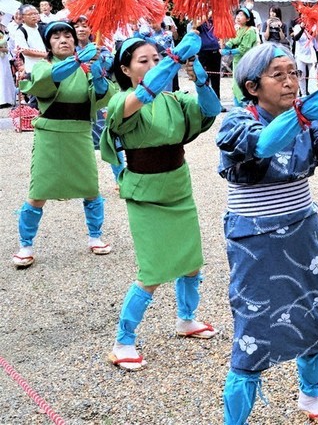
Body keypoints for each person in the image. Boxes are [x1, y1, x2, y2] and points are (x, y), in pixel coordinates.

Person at [216, 44, 318, 425]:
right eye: (278, 75)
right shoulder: (237, 121)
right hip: (254, 241)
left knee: (312, 315)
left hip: (302, 234)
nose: (291, 82)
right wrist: (304, 113)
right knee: (253, 327)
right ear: (252, 86)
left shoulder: (306, 124)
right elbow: (264, 144)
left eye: (294, 73)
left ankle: (311, 394)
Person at [101, 33, 222, 371]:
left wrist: (200, 80)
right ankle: (123, 341)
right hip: (146, 193)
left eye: (157, 58)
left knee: (191, 262)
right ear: (125, 69)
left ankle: (186, 318)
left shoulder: (173, 99)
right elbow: (143, 94)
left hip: (178, 185)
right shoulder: (120, 102)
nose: (153, 65)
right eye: (144, 61)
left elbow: (211, 110)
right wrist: (173, 60)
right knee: (152, 270)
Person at [11, 21, 115, 268]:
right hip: (50, 135)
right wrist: (77, 61)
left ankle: (95, 236)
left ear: (74, 40)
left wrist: (99, 79)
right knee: (38, 193)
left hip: (79, 134)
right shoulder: (43, 67)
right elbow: (46, 80)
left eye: (67, 35)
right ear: (49, 44)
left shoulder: (85, 69)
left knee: (91, 188)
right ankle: (26, 244)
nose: (63, 40)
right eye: (56, 37)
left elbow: (102, 97)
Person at [221, 8, 259, 106]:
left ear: (248, 19)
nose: (238, 17)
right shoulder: (237, 29)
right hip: (237, 62)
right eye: (238, 14)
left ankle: (244, 107)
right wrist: (224, 45)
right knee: (235, 86)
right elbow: (232, 41)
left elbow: (243, 49)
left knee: (241, 85)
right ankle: (238, 107)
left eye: (241, 15)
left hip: (245, 62)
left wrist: (228, 52)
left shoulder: (250, 31)